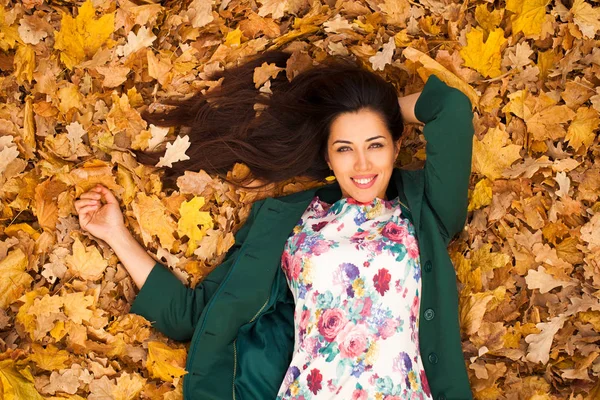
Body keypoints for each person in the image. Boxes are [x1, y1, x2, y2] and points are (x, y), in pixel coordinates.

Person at [74, 50, 474, 400]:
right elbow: (193, 316)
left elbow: (450, 109)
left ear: (397, 145)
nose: (363, 164)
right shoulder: (287, 224)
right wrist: (114, 233)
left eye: (376, 144)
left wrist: (381, 111)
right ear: (328, 158)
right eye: (344, 148)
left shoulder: (425, 211)